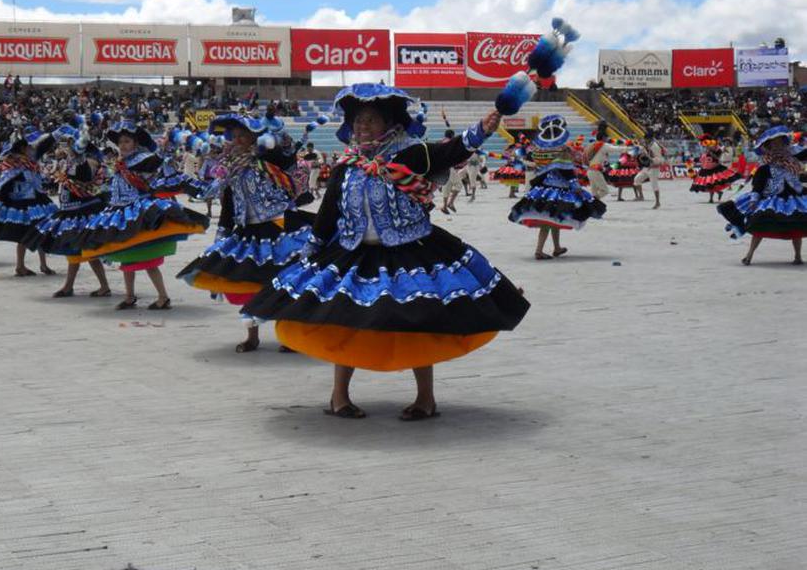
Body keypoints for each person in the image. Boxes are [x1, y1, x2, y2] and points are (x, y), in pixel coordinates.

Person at [244, 84, 529, 420]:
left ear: (390, 122)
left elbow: (451, 151)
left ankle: (426, 398)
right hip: (355, 254)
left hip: (411, 251)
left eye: (371, 119)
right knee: (344, 320)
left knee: (420, 321)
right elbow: (328, 214)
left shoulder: (411, 155)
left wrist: (482, 129)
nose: (363, 126)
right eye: (358, 120)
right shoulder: (346, 167)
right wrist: (312, 250)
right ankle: (339, 397)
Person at [177, 114, 314, 352]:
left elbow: (288, 154)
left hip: (280, 227)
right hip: (249, 231)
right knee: (250, 282)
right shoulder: (229, 169)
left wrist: (277, 133)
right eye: (235, 135)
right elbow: (229, 204)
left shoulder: (268, 159)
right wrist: (224, 232)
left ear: (255, 136)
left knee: (286, 282)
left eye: (243, 135)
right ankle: (253, 336)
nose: (238, 140)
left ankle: (290, 335)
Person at [74, 120, 209, 310]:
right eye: (120, 142)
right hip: (118, 211)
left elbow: (156, 160)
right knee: (127, 258)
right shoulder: (120, 162)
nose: (123, 145)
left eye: (127, 141)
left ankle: (163, 296)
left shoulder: (141, 159)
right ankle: (130, 296)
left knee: (146, 259)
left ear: (135, 143)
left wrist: (165, 147)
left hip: (137, 212)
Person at [22, 126, 112, 299]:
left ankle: (94, 286)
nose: (63, 147)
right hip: (70, 211)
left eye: (67, 143)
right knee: (77, 251)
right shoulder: (66, 162)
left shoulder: (89, 161)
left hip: (84, 212)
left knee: (85, 251)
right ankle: (77, 286)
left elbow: (86, 178)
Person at [508, 116, 607, 259]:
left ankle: (557, 247)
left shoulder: (541, 150)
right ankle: (539, 250)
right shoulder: (562, 151)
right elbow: (566, 171)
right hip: (558, 189)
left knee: (555, 218)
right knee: (548, 220)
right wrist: (575, 185)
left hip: (544, 188)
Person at [718, 125, 807, 265]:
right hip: (770, 199)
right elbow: (758, 185)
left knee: (797, 225)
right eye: (774, 143)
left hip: (794, 197)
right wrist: (754, 199)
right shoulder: (764, 166)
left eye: (780, 142)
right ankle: (749, 255)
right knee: (759, 225)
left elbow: (799, 177)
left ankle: (797, 256)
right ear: (768, 146)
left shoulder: (792, 161)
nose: (778, 145)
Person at [0, 131, 58, 276]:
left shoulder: (28, 162)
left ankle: (38, 265)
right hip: (24, 203)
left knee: (38, 232)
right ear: (23, 149)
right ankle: (23, 266)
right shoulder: (15, 164)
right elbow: (5, 186)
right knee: (29, 234)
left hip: (34, 201)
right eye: (29, 147)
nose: (32, 149)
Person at [690, 136, 741, 203]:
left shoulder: (717, 150)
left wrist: (711, 153)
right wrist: (693, 160)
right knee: (708, 185)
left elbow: (718, 158)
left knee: (713, 184)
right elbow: (702, 159)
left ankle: (712, 198)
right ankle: (718, 193)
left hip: (714, 169)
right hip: (705, 170)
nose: (707, 146)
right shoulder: (705, 151)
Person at [633, 130, 666, 209]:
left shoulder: (655, 146)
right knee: (637, 179)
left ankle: (657, 202)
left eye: (646, 139)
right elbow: (645, 151)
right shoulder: (647, 144)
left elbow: (661, 159)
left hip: (654, 168)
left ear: (650, 139)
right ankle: (641, 196)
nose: (644, 140)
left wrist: (651, 160)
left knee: (654, 185)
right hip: (647, 167)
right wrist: (642, 156)